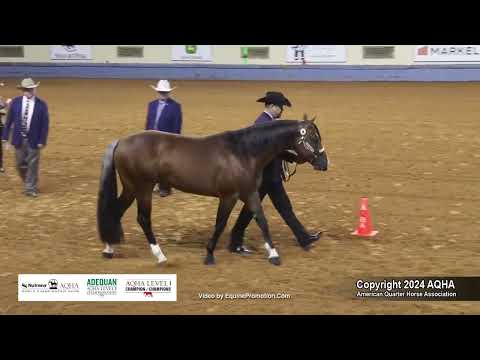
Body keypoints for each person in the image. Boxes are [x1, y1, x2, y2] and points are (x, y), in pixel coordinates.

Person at [229, 91, 321, 254]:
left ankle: (303, 238)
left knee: (284, 207)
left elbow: (275, 149)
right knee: (251, 210)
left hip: (271, 176)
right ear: (271, 106)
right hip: (263, 177)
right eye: (280, 107)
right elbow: (265, 151)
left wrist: (292, 156)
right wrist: (291, 157)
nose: (282, 110)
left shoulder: (268, 122)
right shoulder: (262, 124)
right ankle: (235, 241)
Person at [1, 78, 49, 197]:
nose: (28, 91)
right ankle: (28, 181)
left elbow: (45, 124)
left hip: (34, 140)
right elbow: (9, 121)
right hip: (18, 139)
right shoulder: (16, 102)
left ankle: (30, 188)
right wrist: (5, 138)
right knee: (19, 164)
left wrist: (42, 140)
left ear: (34, 89)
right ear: (22, 90)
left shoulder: (41, 105)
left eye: (30, 89)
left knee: (32, 164)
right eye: (25, 89)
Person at [145, 79, 182, 197]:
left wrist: (174, 142)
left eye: (165, 92)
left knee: (165, 165)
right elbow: (148, 122)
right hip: (151, 138)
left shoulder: (176, 107)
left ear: (169, 93)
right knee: (152, 163)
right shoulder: (151, 105)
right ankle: (154, 185)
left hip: (166, 140)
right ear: (157, 92)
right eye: (161, 92)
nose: (163, 94)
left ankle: (165, 188)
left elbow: (177, 125)